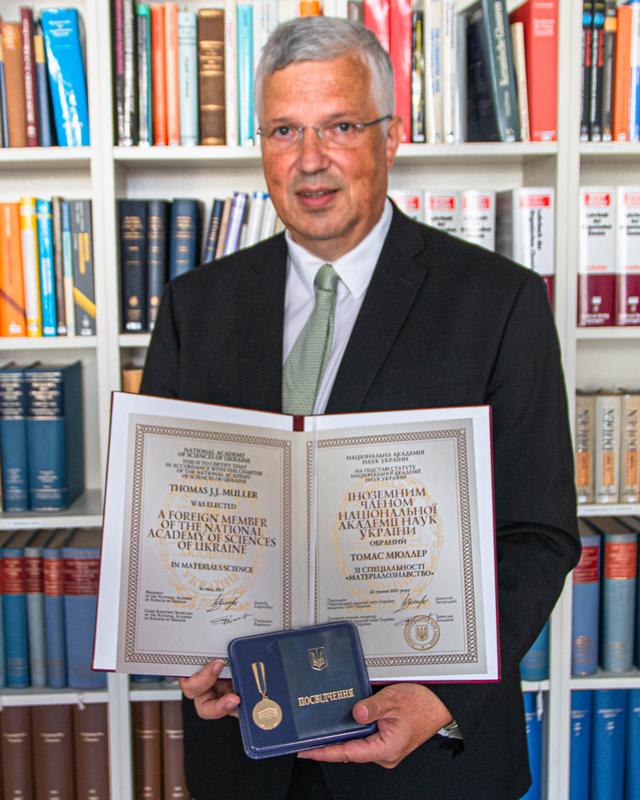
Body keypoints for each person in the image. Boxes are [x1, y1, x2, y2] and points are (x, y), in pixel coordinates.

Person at [140, 16, 579, 800]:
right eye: (284, 130)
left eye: (340, 125)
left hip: (425, 761)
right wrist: (187, 658)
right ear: (262, 145)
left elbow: (538, 533)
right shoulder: (192, 306)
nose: (310, 160)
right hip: (247, 750)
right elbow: (174, 532)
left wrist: (448, 700)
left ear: (391, 137)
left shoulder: (499, 302)